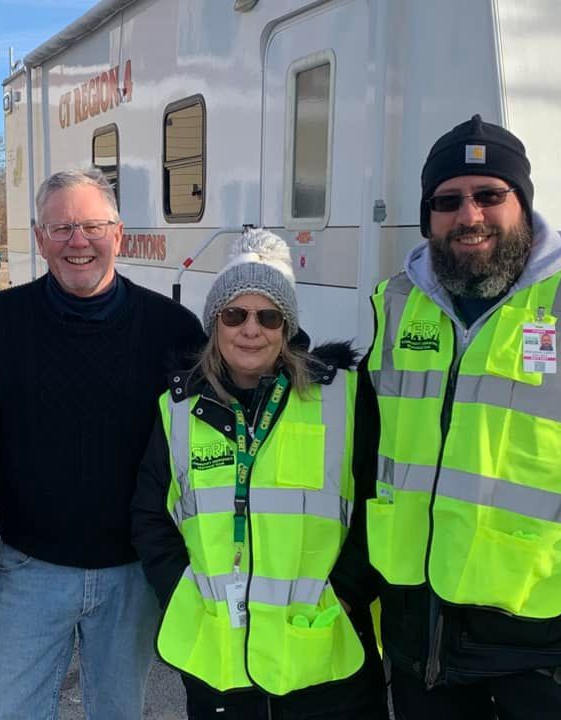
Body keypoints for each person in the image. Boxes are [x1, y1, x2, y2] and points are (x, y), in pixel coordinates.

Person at [349, 114, 561, 719]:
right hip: (418, 641)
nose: (469, 215)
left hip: (545, 647)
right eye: (448, 200)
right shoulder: (394, 304)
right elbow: (365, 455)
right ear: (428, 215)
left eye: (489, 195)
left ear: (524, 204)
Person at [0, 168, 205, 719]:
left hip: (132, 575)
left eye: (93, 226)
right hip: (30, 568)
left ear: (118, 235)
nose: (79, 242)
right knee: (1, 712)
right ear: (38, 238)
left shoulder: (172, 331)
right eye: (62, 228)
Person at [131, 230, 389, 719]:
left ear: (286, 326)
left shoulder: (341, 399)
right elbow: (151, 517)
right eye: (235, 314)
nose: (251, 329)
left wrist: (349, 593)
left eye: (268, 316)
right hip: (220, 664)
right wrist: (181, 593)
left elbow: (379, 500)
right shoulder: (178, 411)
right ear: (215, 324)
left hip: (324, 661)